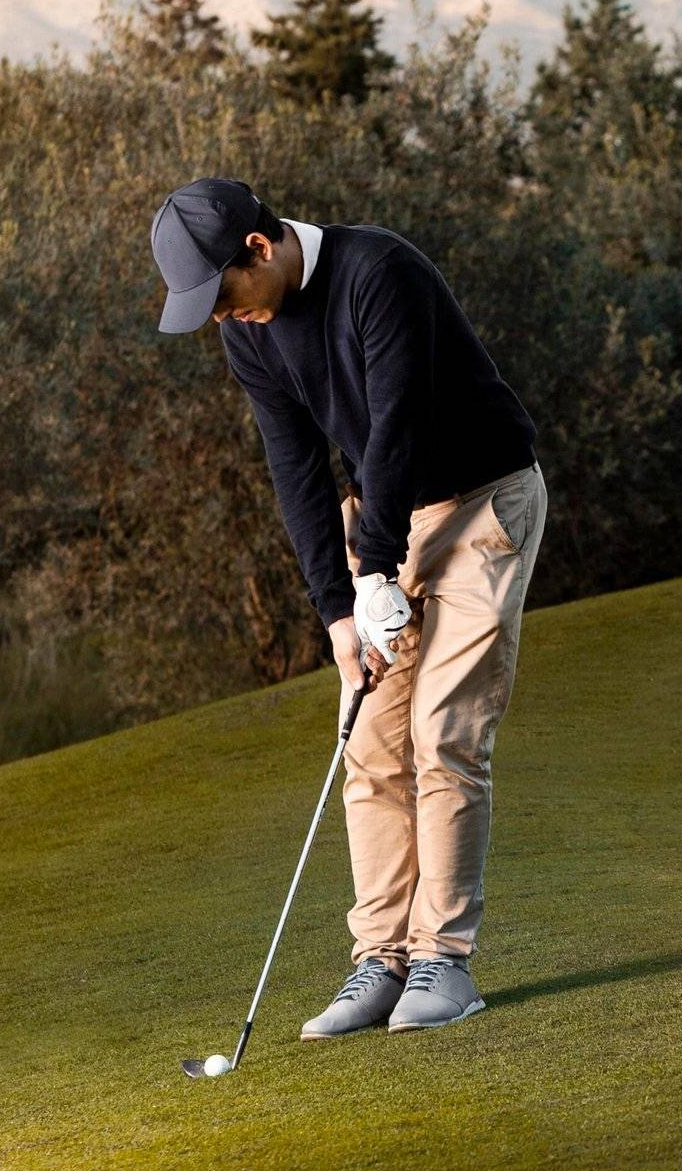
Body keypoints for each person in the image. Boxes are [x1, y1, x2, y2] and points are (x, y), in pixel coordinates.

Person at [151, 176, 547, 1035]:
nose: (223, 318)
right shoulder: (252, 335)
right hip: (385, 518)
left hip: (483, 501)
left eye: (221, 296)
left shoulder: (380, 273)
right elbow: (295, 465)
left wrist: (376, 572)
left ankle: (444, 963)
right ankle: (382, 961)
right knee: (368, 745)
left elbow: (396, 426)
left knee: (444, 731)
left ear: (259, 248)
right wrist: (339, 611)